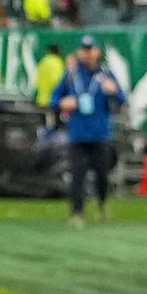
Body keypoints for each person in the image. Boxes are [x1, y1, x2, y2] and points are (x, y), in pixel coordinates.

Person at [48, 36, 124, 224]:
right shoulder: (72, 74)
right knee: (77, 175)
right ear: (80, 52)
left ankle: (102, 205)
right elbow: (54, 98)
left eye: (91, 49)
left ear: (97, 52)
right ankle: (77, 212)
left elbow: (122, 99)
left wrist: (113, 91)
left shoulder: (105, 74)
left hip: (99, 133)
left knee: (102, 175)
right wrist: (63, 102)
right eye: (84, 49)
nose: (88, 53)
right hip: (78, 133)